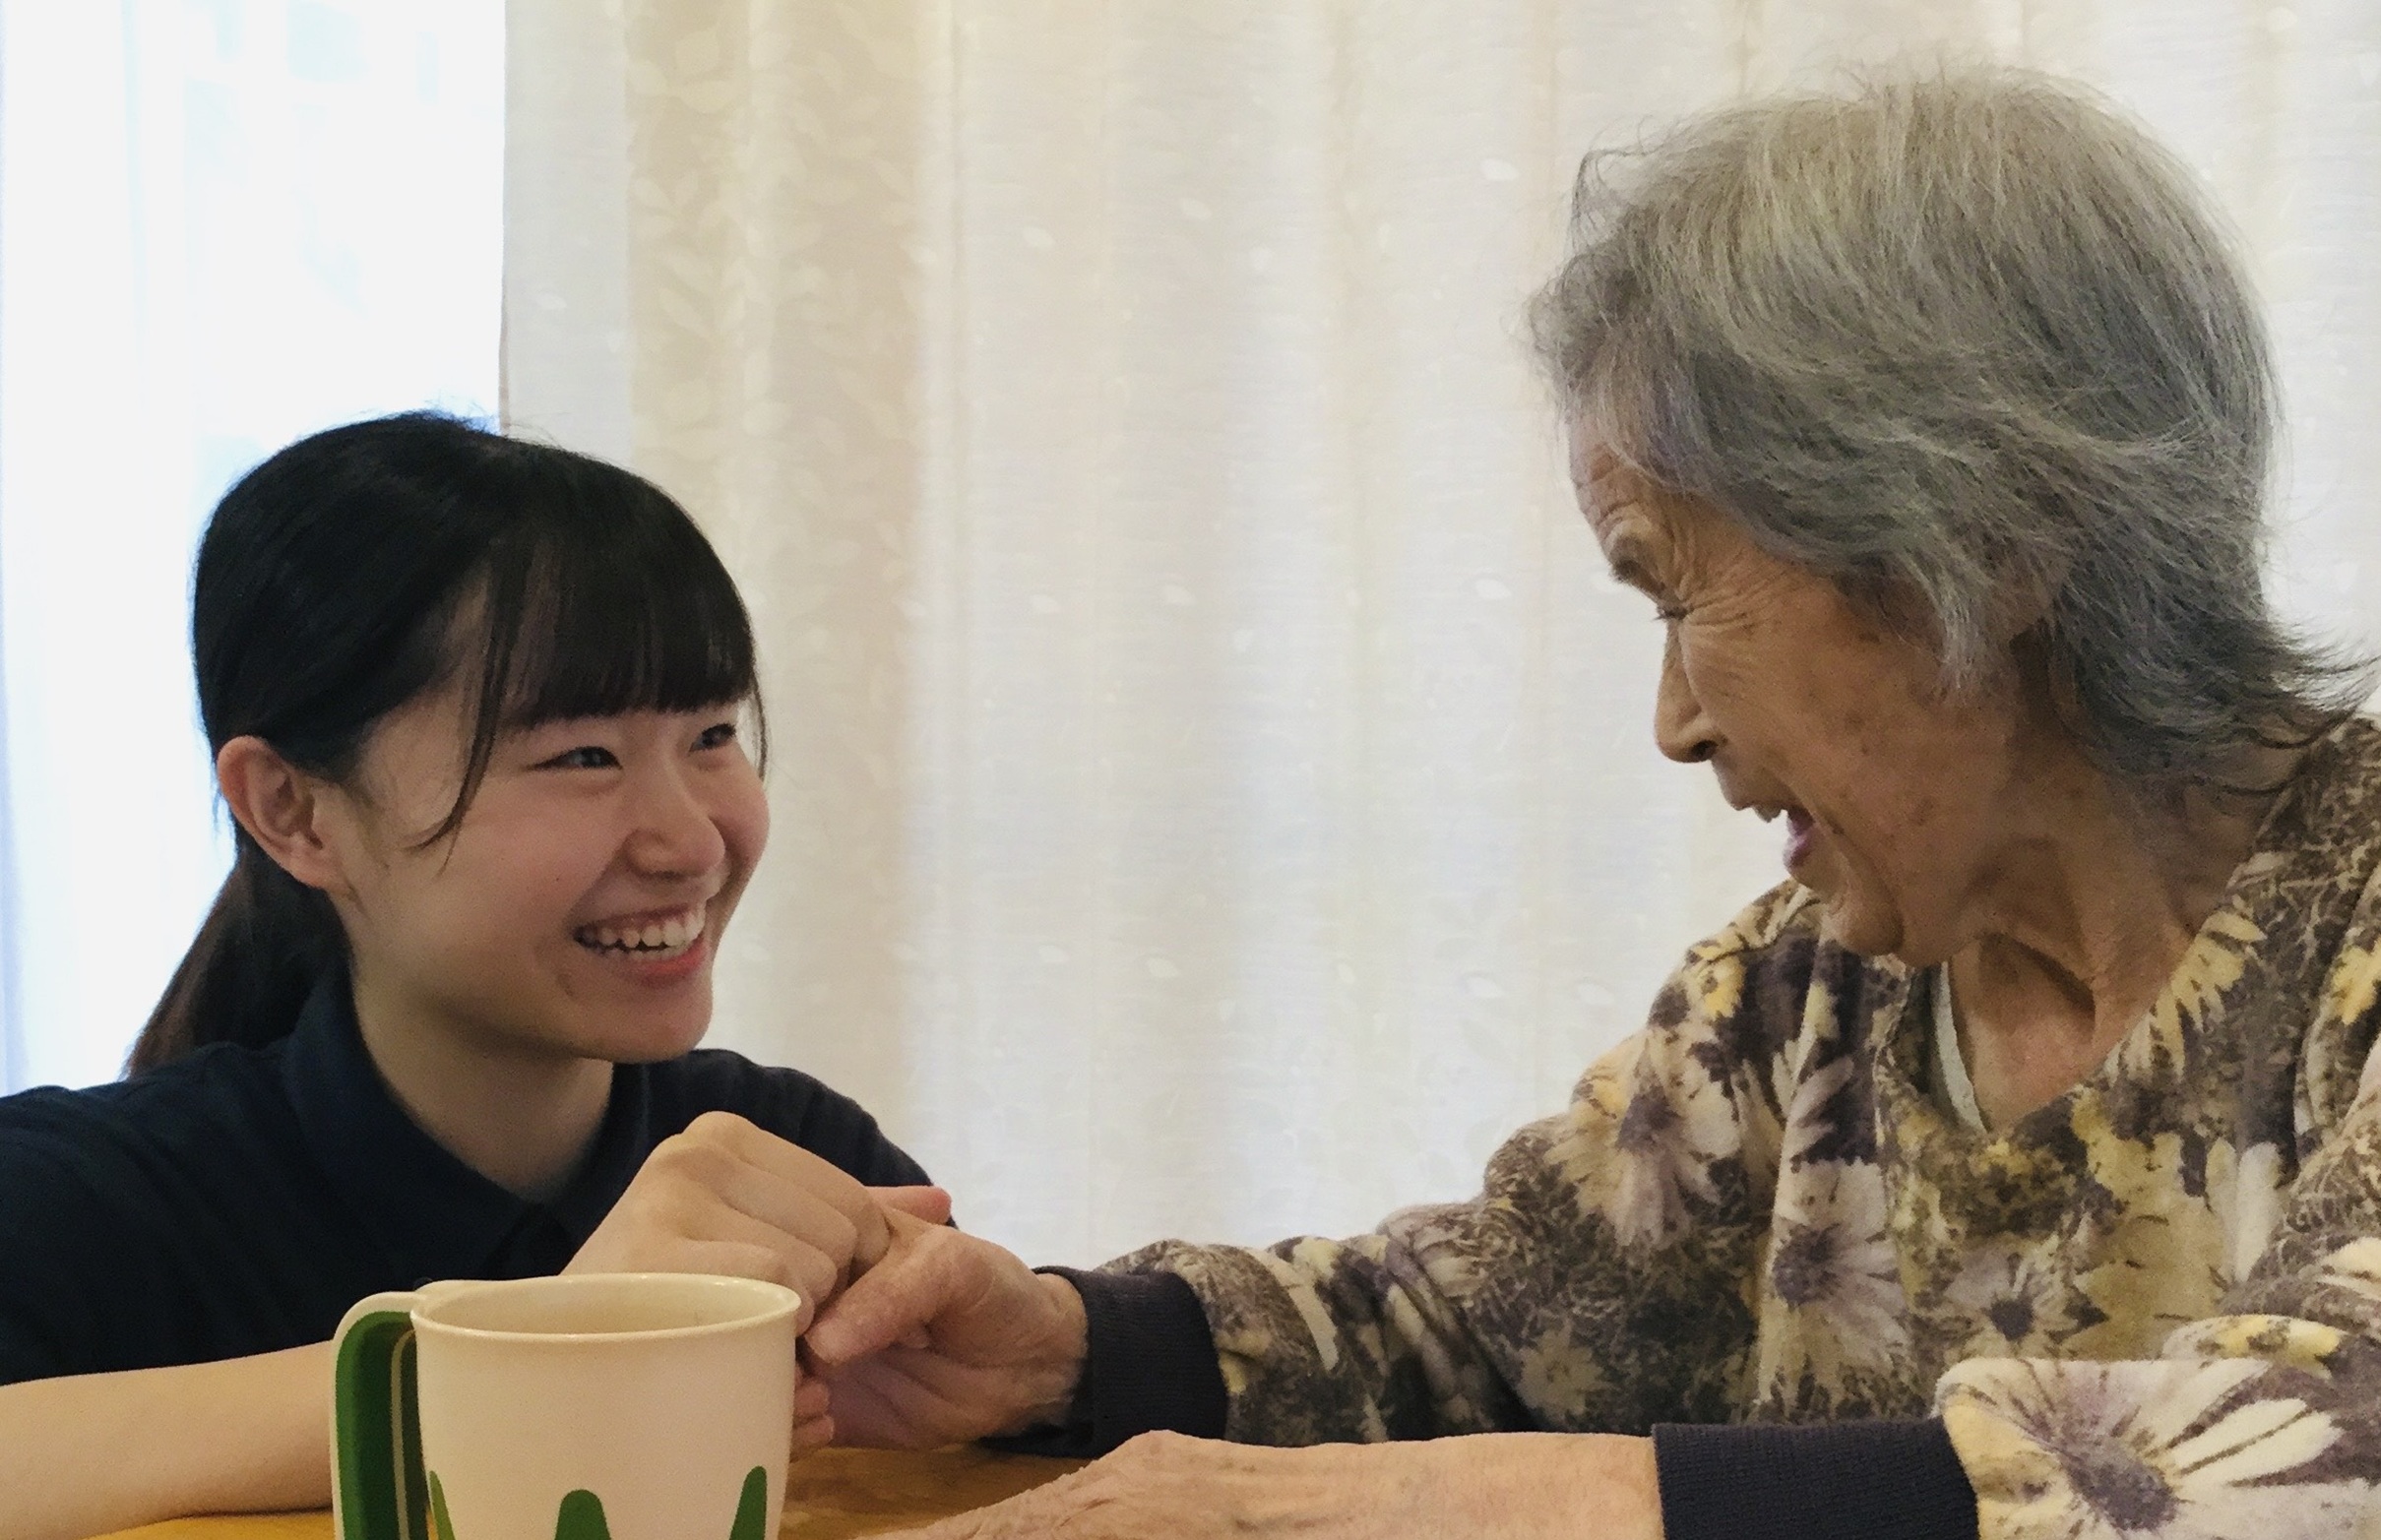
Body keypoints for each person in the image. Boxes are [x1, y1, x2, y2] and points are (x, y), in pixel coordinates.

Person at [782, 71, 2381, 1540]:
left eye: (1677, 593)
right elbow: (1481, 1329)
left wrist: (1454, 1507)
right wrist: (1060, 1344)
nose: (1673, 723)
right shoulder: (1803, 994)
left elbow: (2322, 1456)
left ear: (1988, 545)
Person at [0, 414, 946, 1540]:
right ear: (294, 811)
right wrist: (548, 1344)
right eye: (582, 755)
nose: (692, 841)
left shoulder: (783, 1154)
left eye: (711, 733)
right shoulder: (74, 1201)